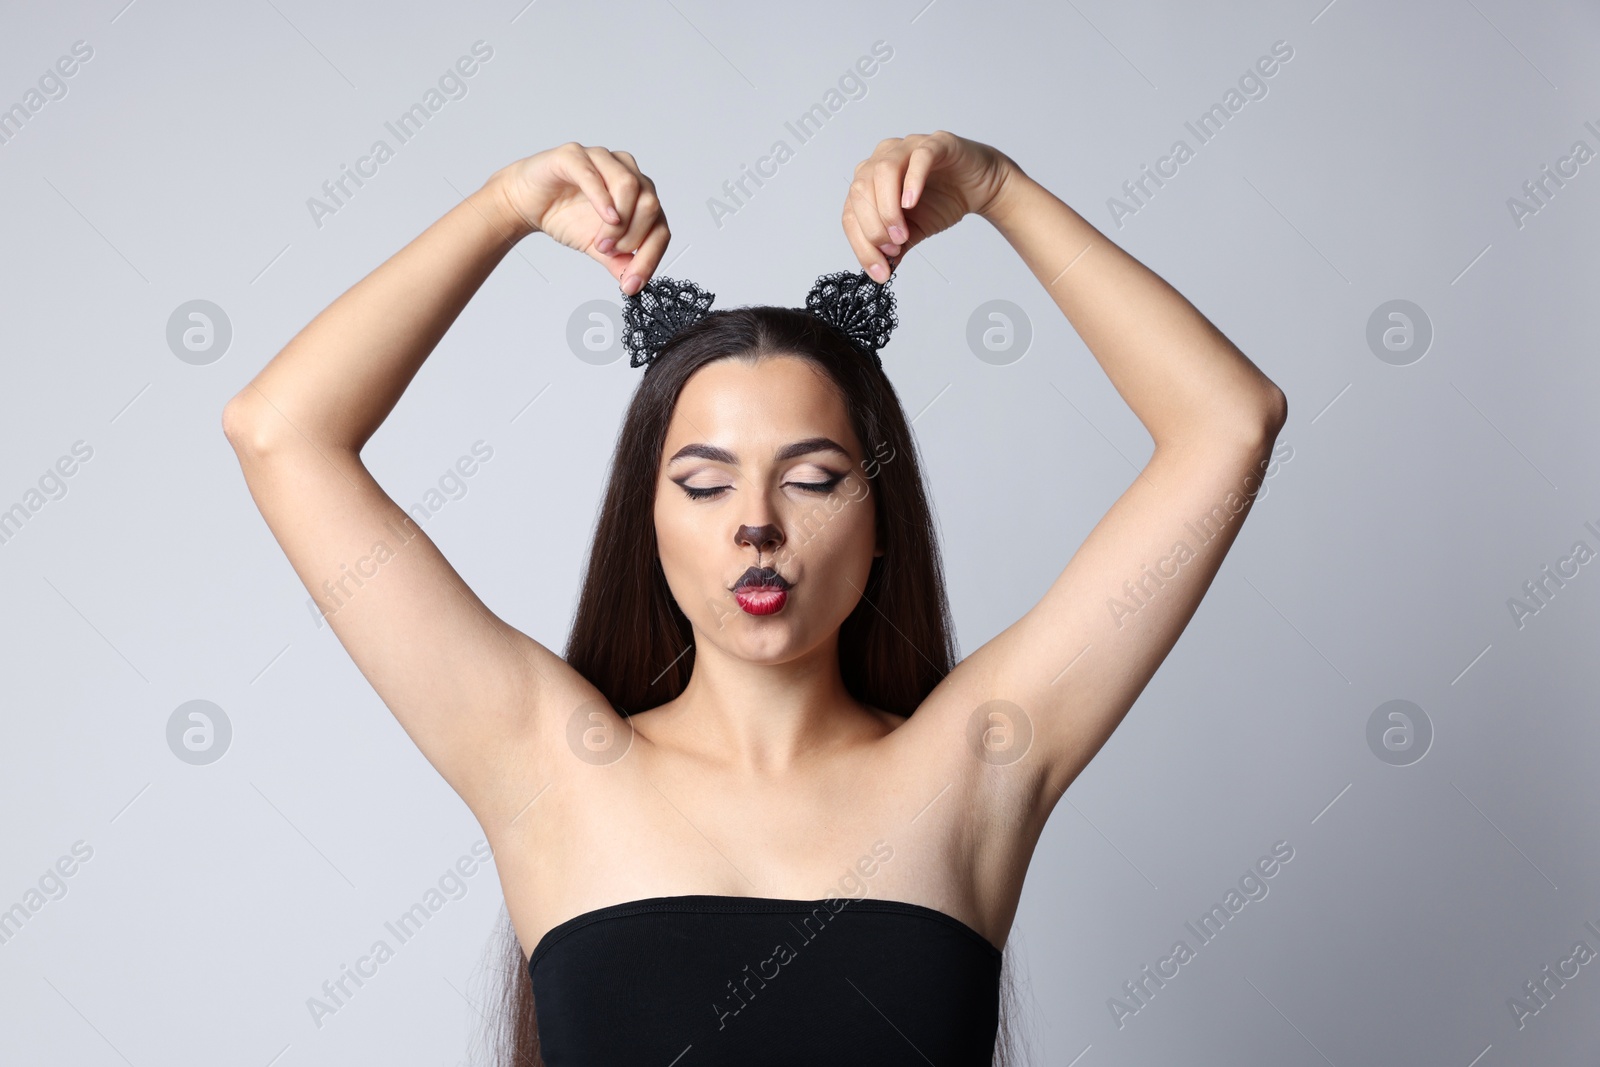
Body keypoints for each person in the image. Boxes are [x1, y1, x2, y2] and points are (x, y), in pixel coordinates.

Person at [222, 132, 1287, 1065]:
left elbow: (1228, 423)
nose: (756, 521)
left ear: (880, 525)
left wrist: (1000, 188)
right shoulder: (546, 761)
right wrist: (504, 207)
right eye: (703, 481)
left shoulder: (975, 764)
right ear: (650, 523)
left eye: (815, 478)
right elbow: (280, 431)